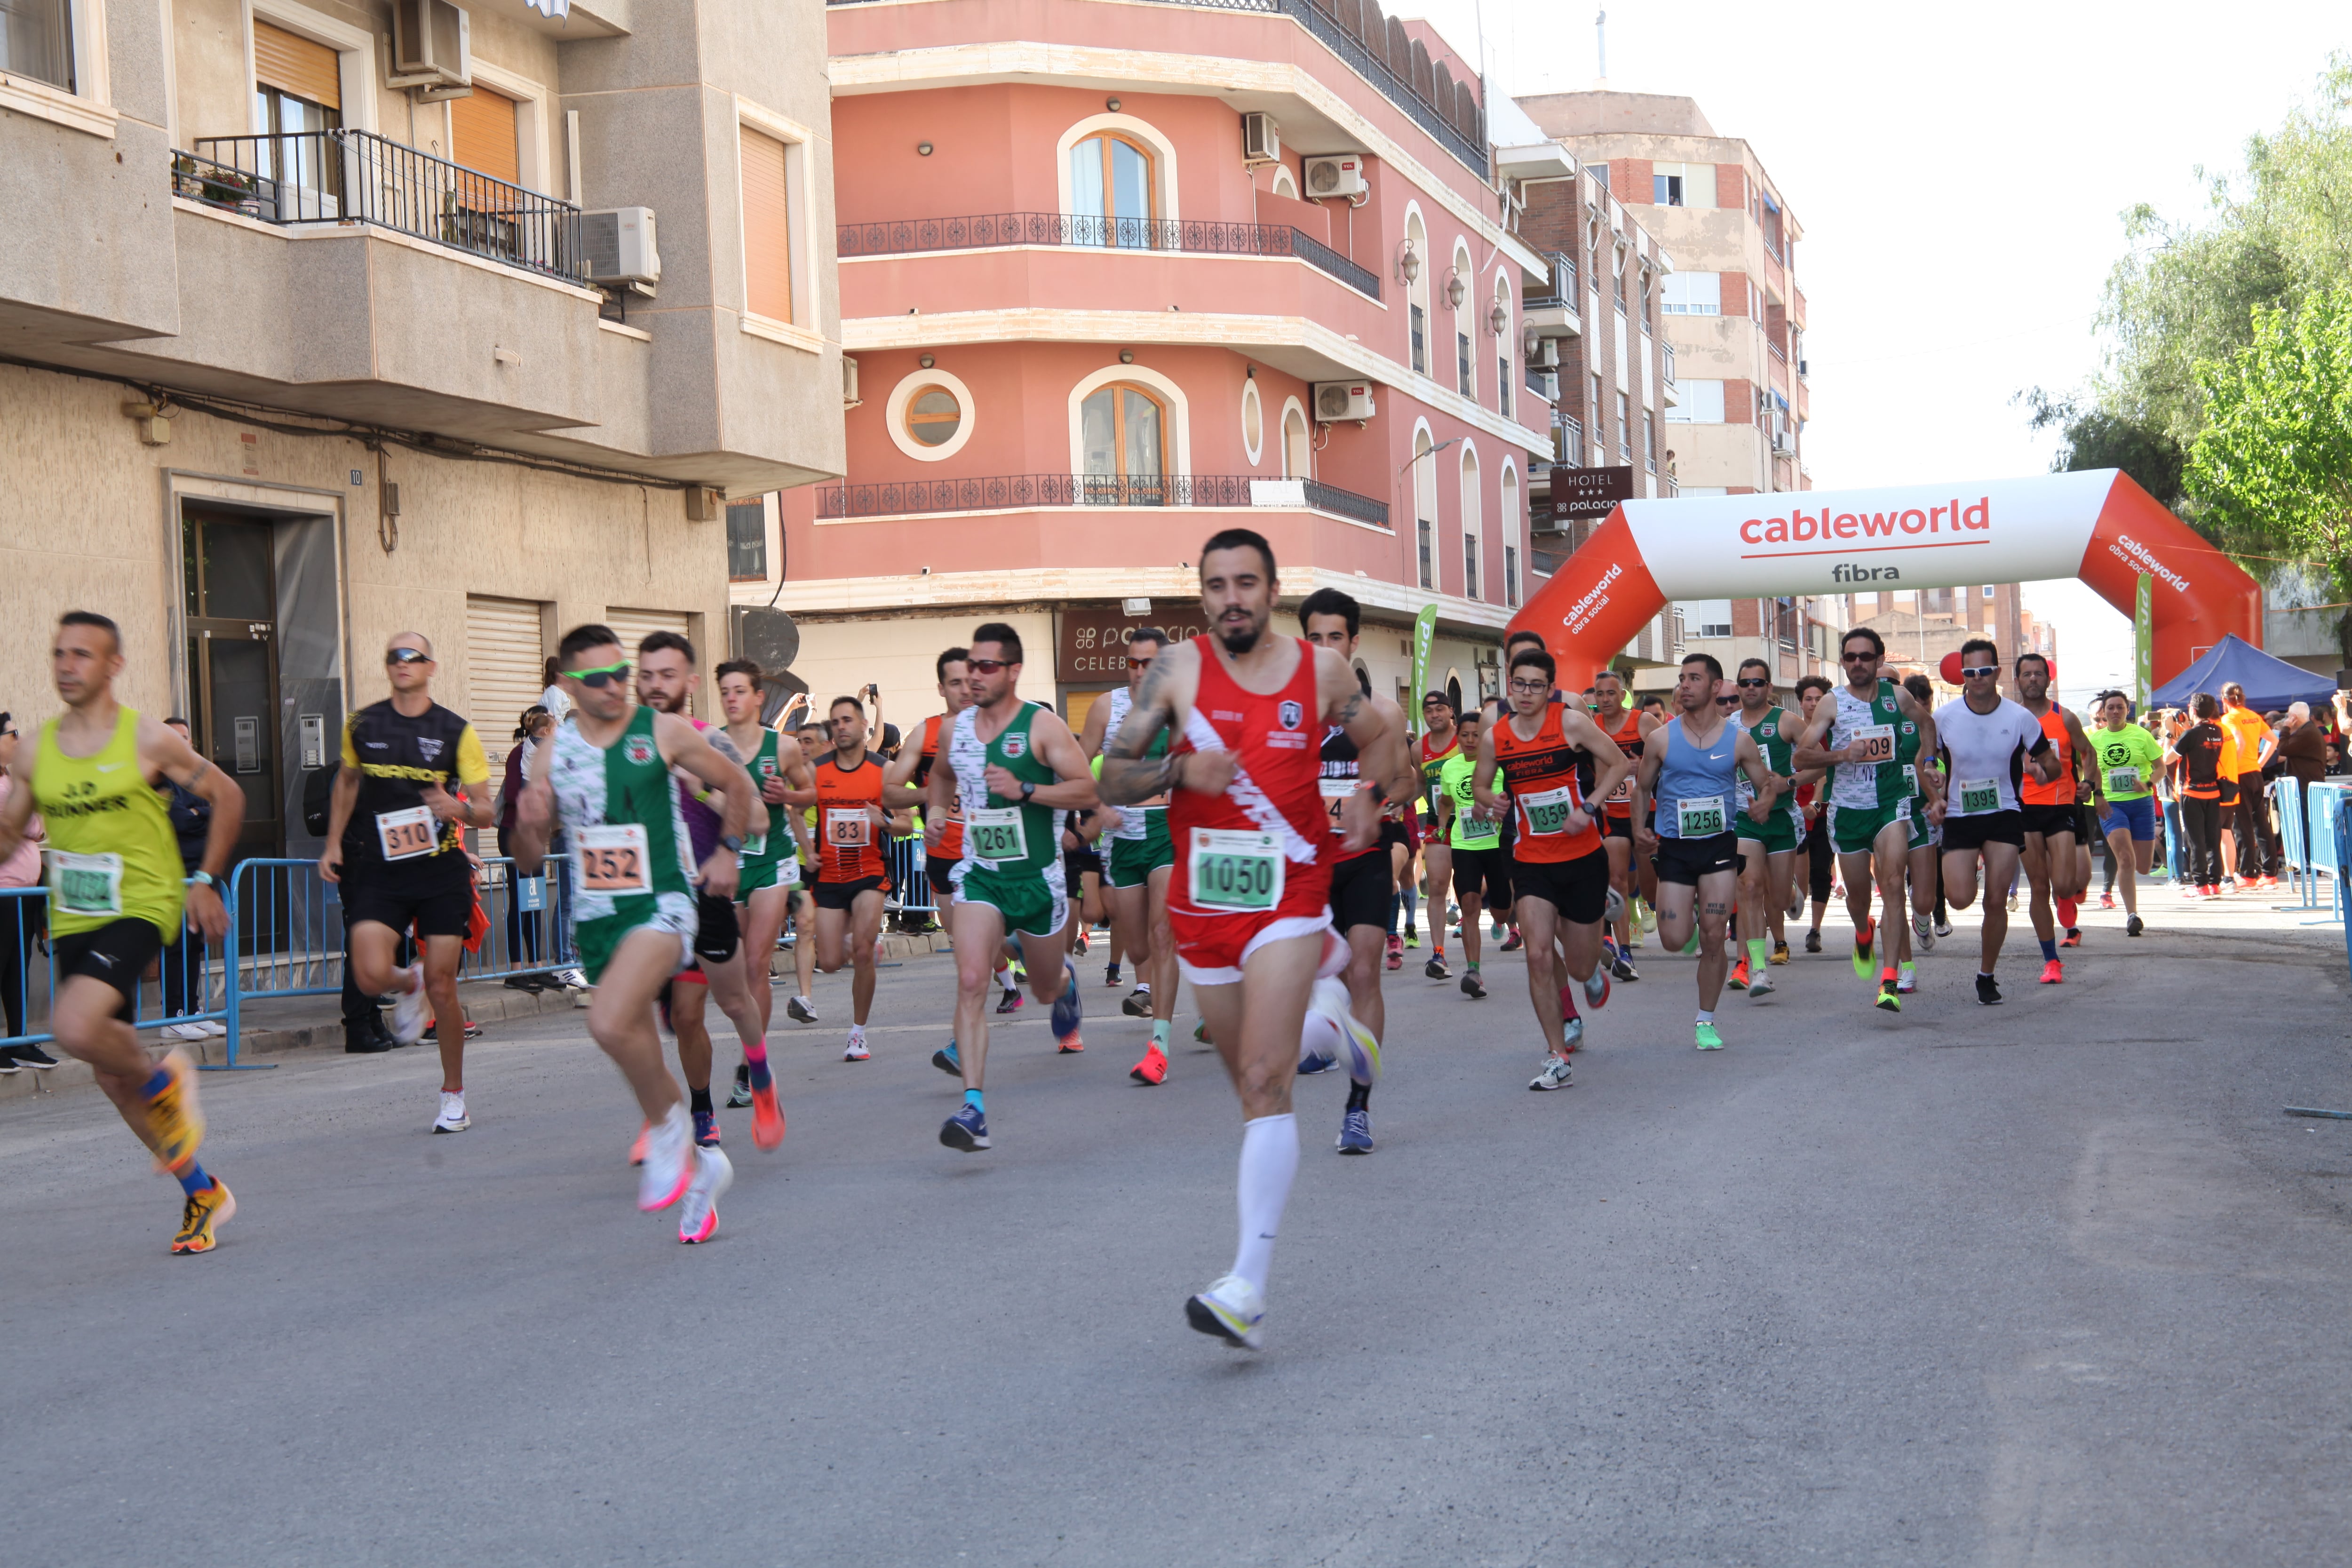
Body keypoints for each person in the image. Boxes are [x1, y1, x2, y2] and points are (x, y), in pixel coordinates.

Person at [1093, 529, 1392, 1349]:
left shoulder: (1321, 670)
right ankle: (1333, 1027)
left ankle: (1246, 1285)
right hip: (1202, 902)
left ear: (1272, 589)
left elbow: (1386, 736)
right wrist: (1178, 772)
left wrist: (1369, 793)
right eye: (1217, 584)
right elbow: (1109, 775)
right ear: (1203, 595)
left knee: (1265, 1078)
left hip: (1293, 886)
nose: (1233, 597)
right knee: (1253, 1077)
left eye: (1247, 582)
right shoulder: (1175, 670)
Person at [0, 612, 244, 1251]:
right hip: (76, 913)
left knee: (73, 1027)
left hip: (142, 902)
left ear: (113, 665)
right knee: (112, 1076)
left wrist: (203, 881)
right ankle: (202, 1192)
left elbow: (228, 795)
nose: (66, 665)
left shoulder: (146, 739)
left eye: (82, 654)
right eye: (58, 653)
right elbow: (9, 835)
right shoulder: (34, 750)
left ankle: (164, 1080)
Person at [509, 625, 755, 1242]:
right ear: (568, 685)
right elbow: (529, 861)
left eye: (622, 673)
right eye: (599, 679)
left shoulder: (661, 731)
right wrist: (529, 825)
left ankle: (672, 1131)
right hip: (597, 919)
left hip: (664, 905)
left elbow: (740, 786)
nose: (617, 687)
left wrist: (727, 852)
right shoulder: (551, 754)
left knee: (607, 1021)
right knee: (635, 1041)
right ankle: (703, 1170)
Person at [924, 623, 1097, 1153]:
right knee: (972, 977)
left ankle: (1064, 986)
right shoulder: (956, 731)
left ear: (1013, 671)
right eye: (970, 667)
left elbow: (1086, 787)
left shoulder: (1041, 726)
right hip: (980, 876)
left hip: (1038, 883)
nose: (974, 676)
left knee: (1043, 989)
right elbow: (941, 774)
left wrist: (1026, 789)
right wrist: (934, 807)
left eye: (986, 666)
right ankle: (973, 1107)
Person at [319, 633, 494, 1131]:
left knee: (444, 986)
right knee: (371, 973)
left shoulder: (455, 731)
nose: (401, 663)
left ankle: (453, 1096)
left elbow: (486, 811)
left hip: (440, 872)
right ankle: (405, 981)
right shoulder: (362, 724)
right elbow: (348, 784)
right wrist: (332, 843)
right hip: (379, 868)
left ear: (430, 666)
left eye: (412, 656)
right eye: (393, 655)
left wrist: (455, 807)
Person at [634, 633, 784, 1154]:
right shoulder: (625, 745)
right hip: (651, 901)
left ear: (689, 684)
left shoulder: (705, 741)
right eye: (647, 675)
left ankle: (760, 1076)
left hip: (705, 891)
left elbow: (760, 817)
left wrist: (695, 784)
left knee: (736, 1000)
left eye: (668, 675)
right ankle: (695, 1112)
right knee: (681, 1015)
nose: (656, 686)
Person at [1476, 645, 1631, 1087]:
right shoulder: (1495, 736)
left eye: (1537, 685)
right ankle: (1556, 1053)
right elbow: (1483, 788)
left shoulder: (1570, 722)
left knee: (1580, 968)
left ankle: (1595, 947)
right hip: (1531, 861)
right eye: (1519, 684)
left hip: (1582, 857)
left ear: (1550, 688)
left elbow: (1619, 763)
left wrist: (1588, 805)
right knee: (1539, 954)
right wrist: (1495, 802)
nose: (1527, 693)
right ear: (1509, 684)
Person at [1299, 588, 1413, 1154]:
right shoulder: (1290, 713)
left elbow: (1407, 781)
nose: (1325, 648)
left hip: (1365, 858)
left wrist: (1376, 800)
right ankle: (1331, 1030)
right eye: (1314, 638)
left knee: (1365, 972)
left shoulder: (1382, 713)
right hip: (1308, 866)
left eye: (1335, 638)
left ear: (1353, 641)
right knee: (1329, 979)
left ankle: (1357, 1110)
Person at [1632, 654, 1779, 1047]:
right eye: (1682, 679)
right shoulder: (1661, 738)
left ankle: (1705, 1020)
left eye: (1694, 678)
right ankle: (1687, 925)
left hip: (1719, 847)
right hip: (1676, 849)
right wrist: (1638, 831)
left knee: (1715, 936)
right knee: (1673, 939)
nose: (1685, 686)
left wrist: (1764, 803)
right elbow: (1642, 787)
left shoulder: (1738, 740)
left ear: (1716, 687)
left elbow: (1767, 783)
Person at [1793, 628, 1940, 1013]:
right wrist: (1842, 755)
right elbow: (1801, 758)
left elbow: (1927, 725)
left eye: (1865, 656)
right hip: (1848, 812)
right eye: (1850, 657)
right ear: (1843, 661)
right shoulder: (1831, 704)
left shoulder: (1898, 696)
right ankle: (1863, 931)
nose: (1857, 663)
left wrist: (1929, 761)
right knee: (1859, 898)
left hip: (1892, 806)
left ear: (1878, 659)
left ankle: (1889, 979)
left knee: (1894, 886)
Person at [1076, 630, 1182, 1085]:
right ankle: (1192, 977)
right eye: (1133, 663)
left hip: (1166, 831)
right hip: (1121, 842)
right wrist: (1098, 809)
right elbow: (1078, 765)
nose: (1140, 671)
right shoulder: (1105, 706)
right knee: (1140, 948)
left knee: (1162, 936)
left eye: (1149, 663)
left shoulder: (1180, 708)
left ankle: (1159, 1045)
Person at [1930, 641, 2059, 1005]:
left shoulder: (2020, 718)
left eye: (1984, 671)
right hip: (1959, 814)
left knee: (1996, 900)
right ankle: (1965, 873)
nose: (1976, 679)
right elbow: (1924, 764)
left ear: (1997, 673)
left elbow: (2053, 766)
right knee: (1958, 898)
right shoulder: (1945, 717)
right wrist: (1934, 792)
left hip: (2004, 812)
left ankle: (1986, 975)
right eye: (1969, 673)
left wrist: (2041, 773)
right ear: (1962, 676)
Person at [719, 660, 818, 1113]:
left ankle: (750, 1066)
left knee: (758, 961)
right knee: (737, 969)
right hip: (729, 862)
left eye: (740, 690)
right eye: (725, 691)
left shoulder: (782, 747)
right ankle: (751, 1048)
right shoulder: (711, 745)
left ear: (759, 697)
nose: (732, 698)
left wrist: (787, 798)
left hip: (772, 861)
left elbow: (810, 794)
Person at [795, 694, 904, 1060]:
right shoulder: (817, 769)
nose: (841, 727)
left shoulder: (883, 770)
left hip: (869, 871)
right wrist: (807, 850)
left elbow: (906, 821)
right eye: (835, 721)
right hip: (829, 875)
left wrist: (885, 821)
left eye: (847, 720)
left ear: (862, 726)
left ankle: (858, 1034)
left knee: (860, 952)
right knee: (827, 961)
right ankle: (860, 944)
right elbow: (795, 810)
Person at [1728, 661, 1810, 995]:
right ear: (1737, 687)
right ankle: (1755, 967)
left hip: (1781, 819)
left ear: (1769, 685)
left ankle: (1789, 887)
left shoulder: (1787, 722)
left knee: (1776, 900)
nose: (1751, 688)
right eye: (1745, 682)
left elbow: (1819, 763)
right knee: (1749, 887)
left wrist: (1788, 782)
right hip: (1745, 820)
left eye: (1758, 682)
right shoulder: (1728, 727)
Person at [2012, 653, 2093, 977]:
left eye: (2038, 674)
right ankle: (2051, 961)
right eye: (2026, 674)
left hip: (2060, 806)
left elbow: (2088, 752)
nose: (2033, 679)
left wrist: (2089, 783)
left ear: (2048, 679)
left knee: (2063, 885)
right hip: (2023, 808)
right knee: (2039, 887)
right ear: (2017, 680)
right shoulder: (2007, 718)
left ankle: (2069, 897)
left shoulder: (2066, 717)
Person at [151, 716, 224, 1043]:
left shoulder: (196, 780)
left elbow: (217, 810)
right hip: (174, 876)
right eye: (175, 737)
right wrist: (200, 814)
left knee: (193, 947)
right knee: (176, 947)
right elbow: (179, 820)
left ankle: (193, 1010)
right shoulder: (159, 780)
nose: (183, 743)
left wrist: (201, 813)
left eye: (186, 737)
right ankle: (173, 1016)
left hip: (198, 876)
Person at [1586, 667, 1654, 982]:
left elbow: (1671, 756)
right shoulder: (1591, 726)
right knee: (1616, 880)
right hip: (1611, 816)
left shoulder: (1643, 722)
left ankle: (1656, 905)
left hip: (1645, 813)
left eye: (1611, 693)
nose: (1605, 699)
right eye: (1599, 694)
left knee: (1652, 885)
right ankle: (1624, 952)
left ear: (1622, 693)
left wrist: (1647, 765)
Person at [1433, 710, 1506, 999]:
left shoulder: (1499, 766)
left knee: (1502, 909)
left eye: (1477, 735)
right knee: (1469, 904)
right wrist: (1441, 826)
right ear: (1458, 737)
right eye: (1465, 735)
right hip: (1465, 845)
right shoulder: (1450, 768)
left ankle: (1503, 919)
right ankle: (1473, 971)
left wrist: (1503, 815)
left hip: (1498, 846)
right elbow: (1446, 800)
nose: (1471, 740)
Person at [0, 713, 56, 1067]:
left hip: (25, 892)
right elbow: (30, 823)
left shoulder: (12, 779)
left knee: (18, 967)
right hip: (4, 892)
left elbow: (37, 825)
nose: (19, 740)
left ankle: (19, 1041)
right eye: (12, 734)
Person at [2089, 691, 2164, 934]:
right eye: (2110, 708)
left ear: (2127, 710)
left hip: (2142, 804)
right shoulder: (2095, 740)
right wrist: (2096, 794)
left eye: (2120, 707)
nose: (2115, 712)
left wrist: (2148, 784)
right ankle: (2132, 914)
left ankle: (2131, 905)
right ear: (2103, 712)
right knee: (2125, 859)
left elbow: (2161, 767)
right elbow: (2087, 771)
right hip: (2111, 804)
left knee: (2142, 866)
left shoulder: (2142, 735)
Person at [495, 707, 554, 989]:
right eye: (554, 727)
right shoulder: (520, 754)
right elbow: (512, 794)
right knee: (520, 899)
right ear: (544, 730)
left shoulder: (546, 757)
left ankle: (537, 966)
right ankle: (517, 971)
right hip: (514, 833)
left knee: (536, 899)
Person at [1416, 691, 1461, 979]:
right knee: (1437, 886)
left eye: (1440, 709)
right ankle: (1439, 955)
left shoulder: (1467, 739)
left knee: (1471, 895)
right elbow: (1420, 785)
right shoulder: (1418, 749)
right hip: (1437, 825)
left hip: (1471, 825)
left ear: (1450, 711)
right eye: (1429, 710)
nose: (1434, 714)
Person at [2166, 696, 2230, 897]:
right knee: (2213, 838)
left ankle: (2200, 884)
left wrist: (2170, 732)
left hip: (2192, 792)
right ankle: (2214, 883)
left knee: (2195, 840)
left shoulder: (2190, 735)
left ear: (2192, 710)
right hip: (2213, 792)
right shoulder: (2218, 731)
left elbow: (2167, 758)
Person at [2218, 682, 2280, 887]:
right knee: (2260, 822)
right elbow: (2273, 741)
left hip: (2240, 775)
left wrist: (2231, 767)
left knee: (2242, 825)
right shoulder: (2254, 715)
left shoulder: (2228, 718)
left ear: (2224, 700)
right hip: (2255, 773)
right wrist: (2260, 763)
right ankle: (2270, 873)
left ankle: (2248, 874)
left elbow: (2239, 742)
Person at [1791, 675, 1836, 953]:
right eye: (1809, 699)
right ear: (1801, 703)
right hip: (1791, 813)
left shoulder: (1833, 733)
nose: (1813, 703)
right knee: (1797, 880)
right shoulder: (1789, 730)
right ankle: (1792, 898)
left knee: (1821, 871)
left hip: (1822, 814)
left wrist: (1817, 805)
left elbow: (1826, 774)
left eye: (1819, 699)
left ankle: (1815, 930)